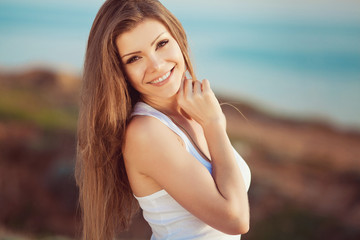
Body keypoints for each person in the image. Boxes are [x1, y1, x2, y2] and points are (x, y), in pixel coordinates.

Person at [75, 0, 251, 239]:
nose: (157, 65)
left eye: (162, 43)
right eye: (134, 59)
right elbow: (235, 219)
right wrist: (215, 124)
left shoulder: (194, 109)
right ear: (118, 71)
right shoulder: (145, 132)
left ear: (179, 38)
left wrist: (209, 122)